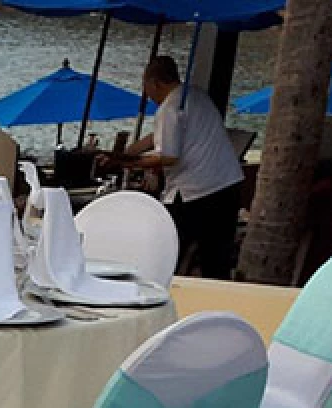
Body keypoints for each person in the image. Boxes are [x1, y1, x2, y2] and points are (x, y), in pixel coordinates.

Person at [102, 55, 245, 278]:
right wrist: (129, 151)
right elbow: (161, 136)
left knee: (171, 245)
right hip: (227, 182)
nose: (147, 95)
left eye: (146, 87)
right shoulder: (194, 96)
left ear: (155, 83)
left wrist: (129, 163)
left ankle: (161, 283)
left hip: (198, 190)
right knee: (218, 255)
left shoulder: (169, 108)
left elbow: (169, 157)